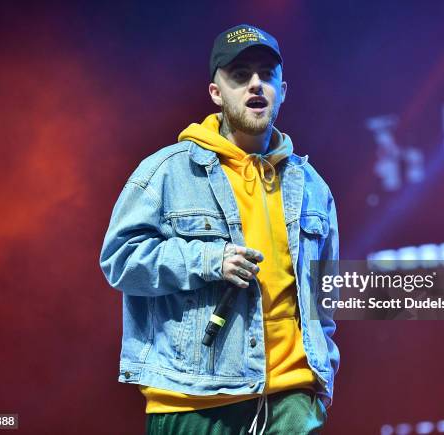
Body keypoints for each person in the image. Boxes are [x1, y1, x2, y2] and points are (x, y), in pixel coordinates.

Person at [100, 24, 340, 435]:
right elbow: (119, 260)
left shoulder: (313, 186)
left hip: (292, 400)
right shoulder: (166, 172)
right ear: (216, 93)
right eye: (240, 75)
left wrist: (322, 375)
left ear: (283, 90)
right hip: (194, 399)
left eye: (267, 74)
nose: (255, 85)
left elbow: (324, 297)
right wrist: (209, 259)